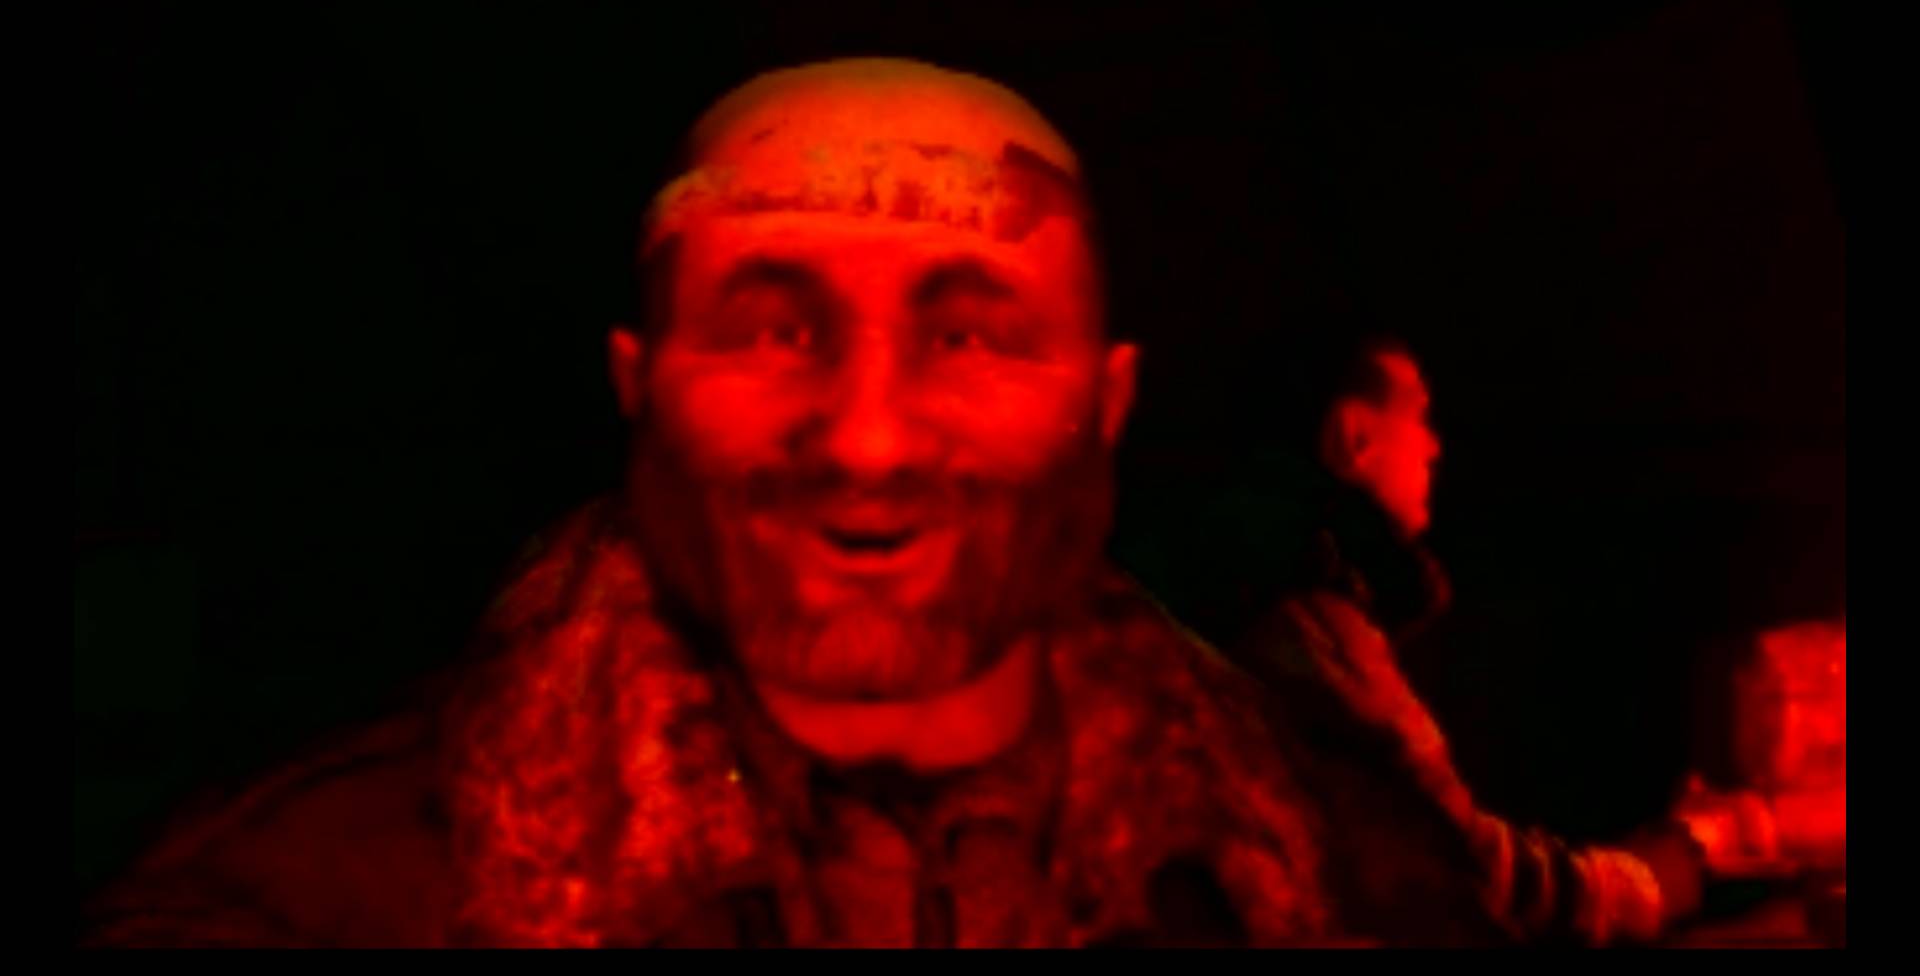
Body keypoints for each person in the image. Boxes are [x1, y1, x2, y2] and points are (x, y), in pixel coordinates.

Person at [85, 58, 1347, 947]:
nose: (866, 438)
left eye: (968, 337)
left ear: (1109, 399)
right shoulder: (304, 904)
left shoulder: (1351, 871)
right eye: (769, 332)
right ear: (636, 384)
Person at [1232, 333, 1718, 945]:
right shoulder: (1308, 633)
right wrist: (1640, 885)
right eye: (1420, 415)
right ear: (1354, 437)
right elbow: (1457, 872)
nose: (1434, 446)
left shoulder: (1293, 603)